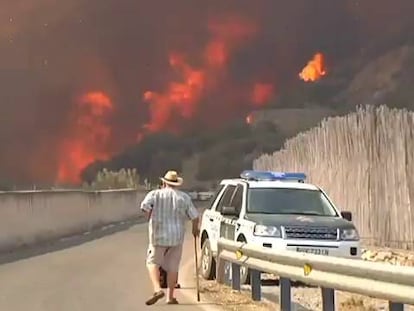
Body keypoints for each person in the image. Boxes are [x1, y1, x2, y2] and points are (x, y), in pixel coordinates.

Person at [140, 170, 200, 305]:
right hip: (176, 237)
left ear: (163, 182)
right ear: (177, 184)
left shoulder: (155, 194)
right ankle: (170, 297)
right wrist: (195, 230)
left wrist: (150, 219)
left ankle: (157, 289)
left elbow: (144, 208)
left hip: (158, 236)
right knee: (173, 267)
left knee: (153, 262)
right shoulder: (184, 197)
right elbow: (195, 217)